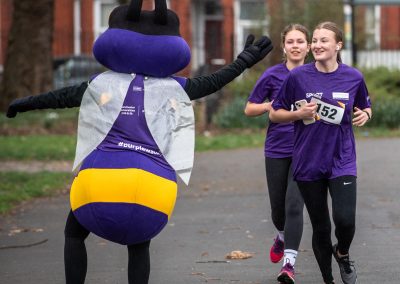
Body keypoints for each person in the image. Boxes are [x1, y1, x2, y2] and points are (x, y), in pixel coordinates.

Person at [6, 1, 272, 283]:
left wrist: (22, 104)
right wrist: (244, 60)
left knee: (74, 232)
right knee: (139, 242)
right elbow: (214, 81)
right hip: (151, 188)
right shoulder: (176, 88)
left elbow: (59, 98)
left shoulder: (100, 86)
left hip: (100, 183)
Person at [269, 21, 371, 284]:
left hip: (342, 159)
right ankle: (328, 279)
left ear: (338, 45)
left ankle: (343, 252)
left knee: (345, 220)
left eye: (324, 40)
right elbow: (275, 113)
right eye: (314, 40)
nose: (317, 45)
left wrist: (366, 113)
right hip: (308, 162)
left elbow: (364, 105)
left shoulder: (353, 77)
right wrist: (297, 114)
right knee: (322, 228)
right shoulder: (298, 77)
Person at [244, 24, 310, 284]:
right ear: (284, 47)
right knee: (278, 211)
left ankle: (288, 266)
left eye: (300, 41)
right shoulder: (272, 75)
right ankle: (281, 235)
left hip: (307, 150)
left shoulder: (317, 74)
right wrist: (269, 106)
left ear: (308, 46)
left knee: (295, 205)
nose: (295, 46)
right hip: (277, 148)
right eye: (291, 42)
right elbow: (249, 109)